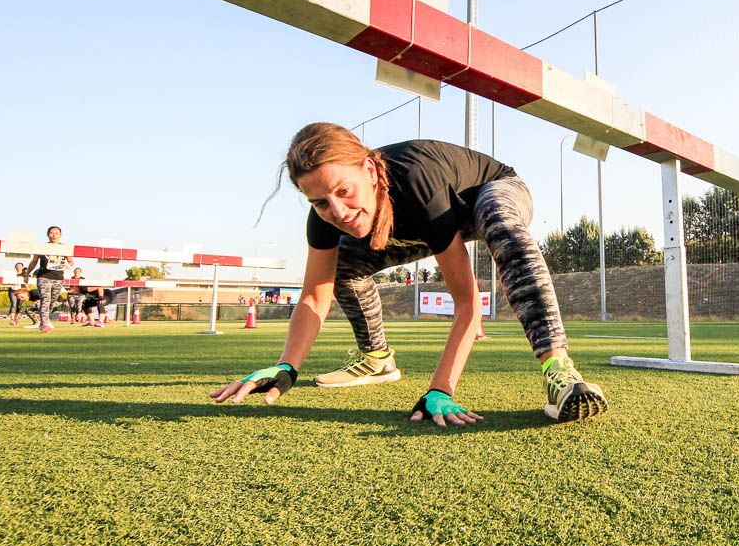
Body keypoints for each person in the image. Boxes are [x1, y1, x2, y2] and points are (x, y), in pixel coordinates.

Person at [210, 123, 609, 426]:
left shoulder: (417, 182)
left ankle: (558, 370)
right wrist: (286, 366)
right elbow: (316, 295)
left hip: (489, 191)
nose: (338, 212)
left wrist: (440, 390)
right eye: (320, 202)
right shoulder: (326, 218)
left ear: (369, 170)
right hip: (423, 222)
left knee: (498, 219)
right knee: (343, 265)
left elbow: (467, 303)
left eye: (344, 191)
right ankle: (377, 358)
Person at [26, 225, 72, 333]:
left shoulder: (64, 248)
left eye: (56, 233)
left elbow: (71, 261)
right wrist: (27, 273)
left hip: (58, 278)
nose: (54, 235)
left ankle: (45, 320)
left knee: (52, 300)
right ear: (48, 234)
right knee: (45, 299)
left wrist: (67, 266)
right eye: (51, 233)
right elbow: (34, 261)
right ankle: (45, 323)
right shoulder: (42, 247)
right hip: (44, 276)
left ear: (60, 235)